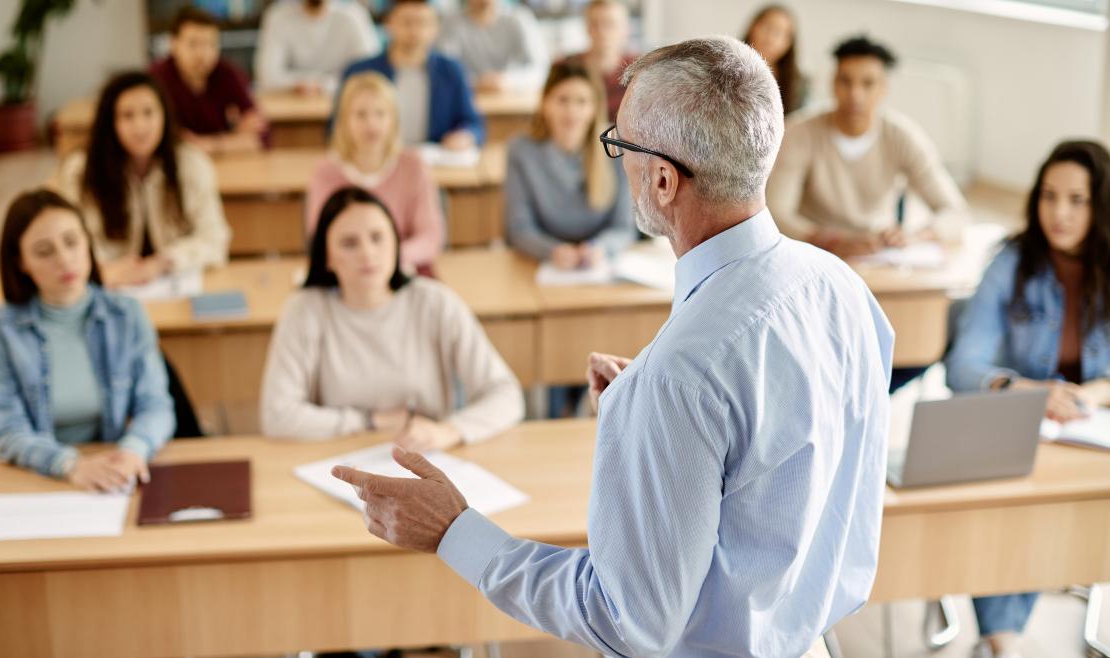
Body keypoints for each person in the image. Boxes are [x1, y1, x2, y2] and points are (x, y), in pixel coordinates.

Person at [332, 36, 894, 658]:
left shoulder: (682, 375)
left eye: (620, 143)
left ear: (661, 180)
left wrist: (453, 531)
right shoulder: (841, 285)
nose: (614, 158)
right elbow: (781, 455)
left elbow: (628, 621)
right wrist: (660, 424)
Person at [946, 140, 1110, 658]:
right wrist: (1033, 392)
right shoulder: (1011, 262)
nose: (1059, 213)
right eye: (1049, 196)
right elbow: (963, 366)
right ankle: (1004, 643)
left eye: (1077, 200)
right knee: (1009, 503)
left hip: (1091, 432)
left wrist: (1090, 395)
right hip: (1025, 431)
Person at [261, 186, 523, 446]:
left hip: (426, 458)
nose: (367, 253)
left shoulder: (435, 302)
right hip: (338, 461)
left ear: (396, 243)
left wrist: (448, 431)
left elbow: (506, 395)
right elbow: (277, 415)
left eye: (378, 237)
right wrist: (369, 421)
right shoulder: (304, 310)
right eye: (349, 243)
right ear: (327, 257)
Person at [0, 189, 174, 489]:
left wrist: (133, 449)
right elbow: (10, 432)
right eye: (44, 251)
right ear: (21, 262)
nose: (65, 259)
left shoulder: (127, 314)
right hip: (41, 474)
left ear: (88, 242)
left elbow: (156, 405)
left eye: (72, 242)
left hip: (114, 469)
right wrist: (70, 465)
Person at [504, 61, 634, 417]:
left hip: (597, 272)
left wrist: (598, 249)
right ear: (545, 103)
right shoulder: (522, 150)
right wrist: (552, 251)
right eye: (562, 100)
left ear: (594, 106)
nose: (571, 111)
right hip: (543, 271)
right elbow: (518, 228)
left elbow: (624, 226)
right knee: (550, 358)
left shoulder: (614, 148)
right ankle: (555, 407)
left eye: (581, 101)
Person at [767, 35, 968, 259]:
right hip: (813, 251)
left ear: (884, 89)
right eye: (846, 81)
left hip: (878, 253)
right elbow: (776, 212)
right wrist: (832, 241)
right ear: (833, 84)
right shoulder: (798, 133)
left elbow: (955, 213)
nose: (855, 94)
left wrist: (913, 237)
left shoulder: (903, 137)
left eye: (868, 83)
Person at [50, 71, 231, 288]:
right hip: (105, 283)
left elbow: (215, 238)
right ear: (110, 122)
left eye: (149, 113)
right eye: (127, 116)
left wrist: (165, 262)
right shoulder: (80, 171)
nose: (140, 126)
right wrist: (106, 269)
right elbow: (67, 239)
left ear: (164, 115)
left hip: (173, 281)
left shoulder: (191, 164)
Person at [306, 72, 445, 271]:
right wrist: (363, 261)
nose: (371, 124)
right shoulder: (326, 172)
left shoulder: (413, 166)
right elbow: (321, 239)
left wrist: (388, 258)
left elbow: (431, 237)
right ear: (344, 120)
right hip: (347, 274)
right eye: (361, 115)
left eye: (380, 113)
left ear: (393, 119)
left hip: (404, 269)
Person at [338, 0, 485, 150]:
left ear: (436, 28)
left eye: (423, 23)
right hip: (375, 161)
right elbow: (337, 127)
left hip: (434, 161)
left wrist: (466, 136)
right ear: (388, 24)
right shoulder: (360, 72)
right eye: (407, 22)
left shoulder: (452, 71)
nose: (415, 31)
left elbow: (473, 123)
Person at [150, 6, 268, 154]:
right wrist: (233, 139)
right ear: (173, 44)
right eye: (193, 44)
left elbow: (261, 136)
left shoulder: (227, 73)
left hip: (226, 166)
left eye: (210, 44)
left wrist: (207, 144)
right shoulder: (156, 78)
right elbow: (163, 142)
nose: (202, 54)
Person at [254, 0, 380, 95]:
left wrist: (323, 86)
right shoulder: (278, 15)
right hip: (290, 106)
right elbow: (267, 76)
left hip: (344, 104)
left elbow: (369, 73)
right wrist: (302, 85)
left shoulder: (354, 15)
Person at [438, 0, 549, 92]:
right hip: (468, 99)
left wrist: (507, 81)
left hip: (514, 99)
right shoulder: (452, 24)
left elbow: (540, 69)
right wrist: (476, 82)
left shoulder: (519, 19)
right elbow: (442, 70)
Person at [560, 0, 636, 121]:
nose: (602, 31)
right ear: (586, 28)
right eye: (595, 24)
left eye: (609, 24)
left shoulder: (639, 70)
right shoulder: (566, 67)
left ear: (626, 29)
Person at [742, 4, 808, 114]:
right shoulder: (722, 67)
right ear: (752, 27)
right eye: (767, 27)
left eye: (780, 32)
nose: (771, 37)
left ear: (789, 43)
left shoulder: (798, 84)